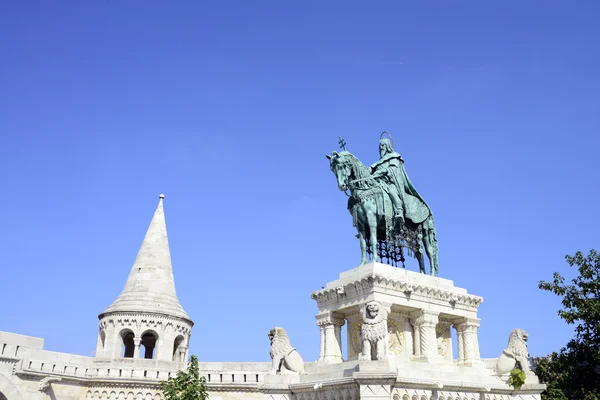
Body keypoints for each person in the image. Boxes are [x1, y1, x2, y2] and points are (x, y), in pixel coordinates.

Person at [370, 137, 431, 226]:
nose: (381, 147)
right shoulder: (377, 163)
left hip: (390, 182)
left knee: (392, 191)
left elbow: (394, 169)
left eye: (383, 145)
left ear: (387, 146)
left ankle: (399, 211)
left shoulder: (394, 156)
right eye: (380, 146)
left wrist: (383, 171)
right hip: (379, 183)